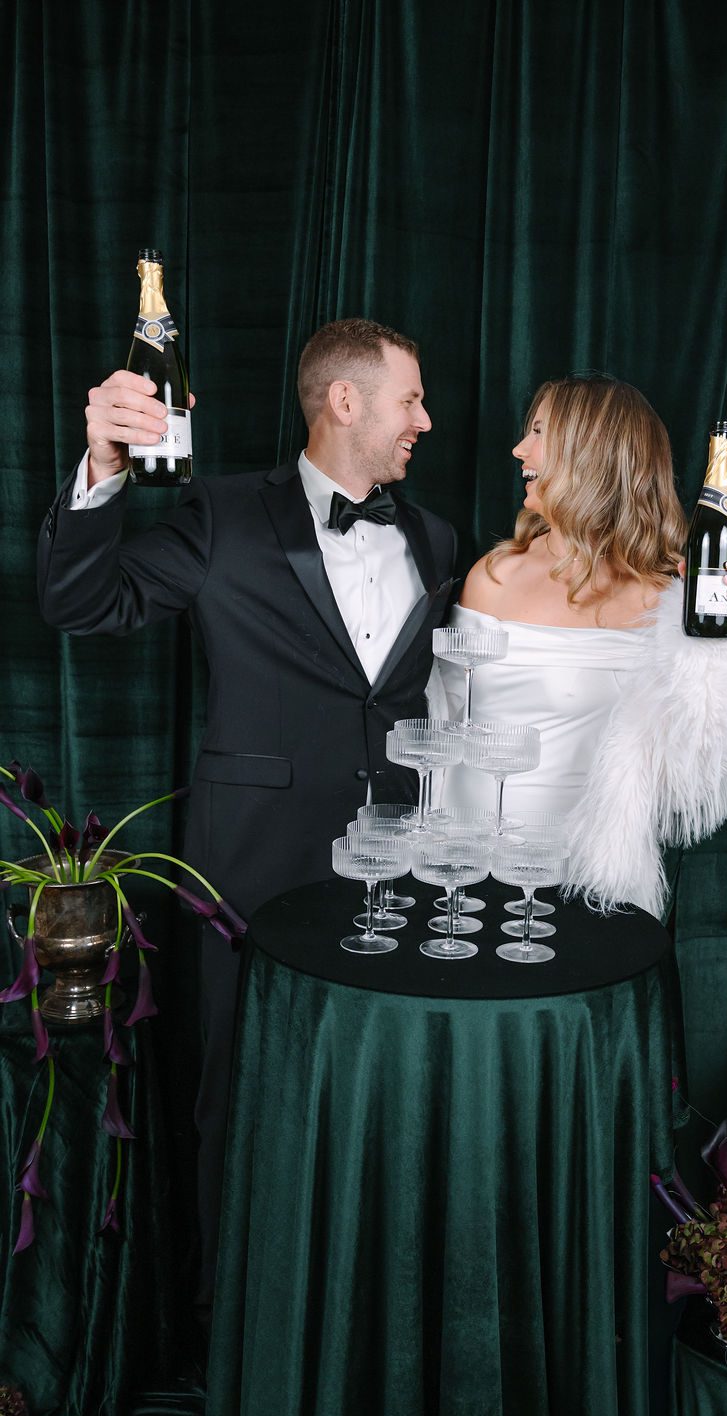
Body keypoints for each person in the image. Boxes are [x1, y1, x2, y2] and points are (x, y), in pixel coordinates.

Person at [37, 318, 458, 1306]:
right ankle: (240, 1343)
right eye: (410, 400)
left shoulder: (436, 536)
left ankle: (370, 1326)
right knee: (244, 1098)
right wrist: (102, 466)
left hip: (403, 871)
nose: (426, 421)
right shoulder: (222, 515)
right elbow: (81, 602)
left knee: (388, 1103)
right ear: (344, 401)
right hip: (252, 872)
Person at [439, 373, 727, 914]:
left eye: (539, 432)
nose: (519, 449)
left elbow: (695, 778)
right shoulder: (492, 576)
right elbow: (441, 727)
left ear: (593, 454)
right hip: (469, 877)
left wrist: (725, 641)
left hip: (592, 888)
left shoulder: (668, 601)